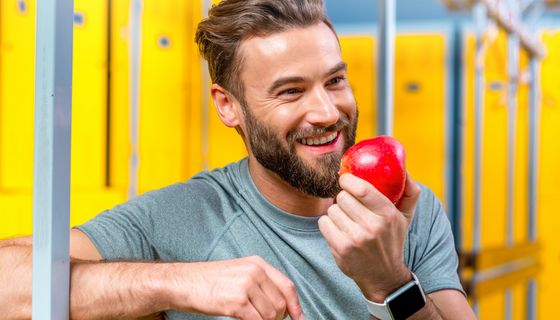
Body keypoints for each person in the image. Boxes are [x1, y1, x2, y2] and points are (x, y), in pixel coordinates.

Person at [0, 0, 477, 319]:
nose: (328, 112)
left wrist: (390, 282)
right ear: (228, 105)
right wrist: (177, 282)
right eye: (291, 91)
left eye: (334, 81)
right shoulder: (186, 216)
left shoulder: (408, 209)